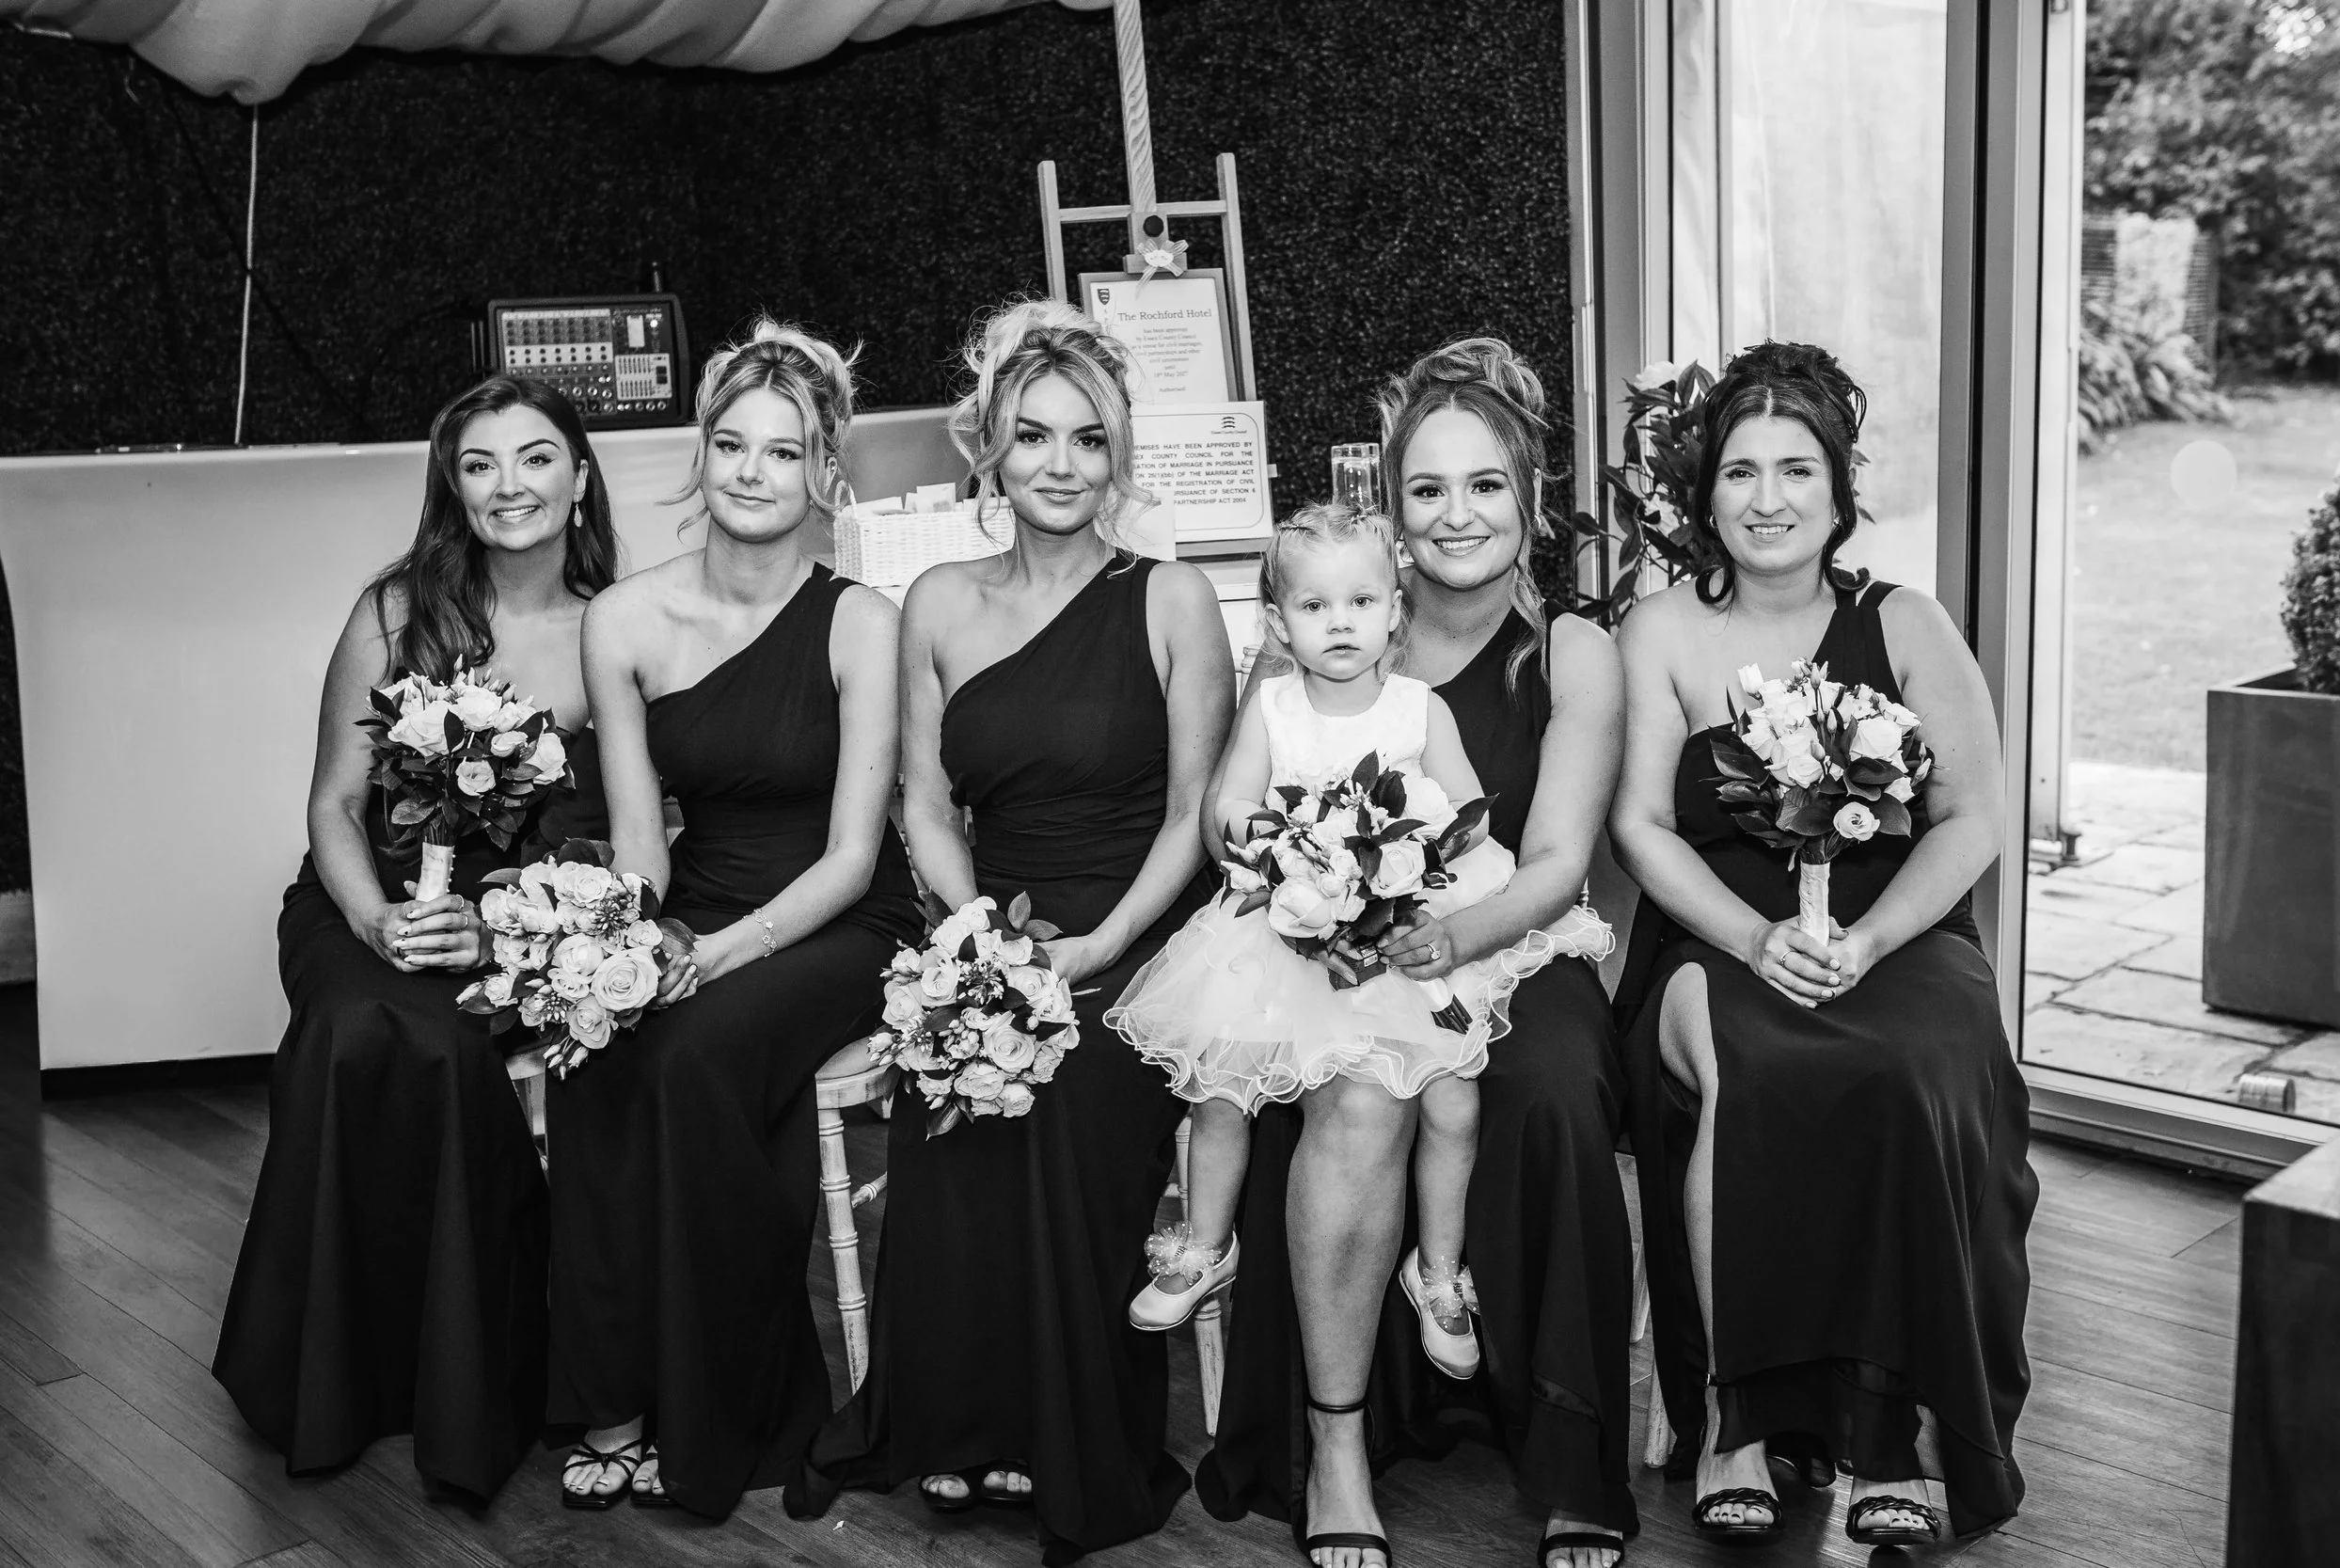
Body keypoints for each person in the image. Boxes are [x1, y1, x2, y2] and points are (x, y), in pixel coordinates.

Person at [796, 298, 1233, 1564]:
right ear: (985, 445)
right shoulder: (932, 599)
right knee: (955, 1095)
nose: (1058, 462)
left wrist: (1099, 952)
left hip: (1145, 929)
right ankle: (958, 1414)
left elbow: (1197, 813)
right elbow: (922, 800)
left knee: (1071, 1090)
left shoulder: (1170, 599)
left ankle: (1059, 1434)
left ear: (1118, 457)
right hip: (997, 924)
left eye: (1086, 440)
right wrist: (981, 937)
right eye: (1031, 435)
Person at [1197, 340, 1635, 1568]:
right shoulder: (1310, 642)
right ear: (1392, 511)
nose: (1457, 513)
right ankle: (1338, 1441)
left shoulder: (1574, 651)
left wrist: (1420, 934)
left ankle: (1568, 1449)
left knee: (1548, 1091)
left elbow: (1553, 862)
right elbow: (1230, 810)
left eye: (1485, 483)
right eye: (1428, 488)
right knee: (1347, 1092)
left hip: (1513, 947)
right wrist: (1288, 881)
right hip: (1331, 954)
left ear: (1530, 498)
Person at [1610, 341, 2034, 1547]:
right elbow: (1639, 824)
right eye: (1739, 471)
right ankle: (1733, 1418)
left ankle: (1889, 1432)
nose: (1767, 496)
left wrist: (1867, 933)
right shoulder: (1659, 631)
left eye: (1797, 468)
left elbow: (1971, 816)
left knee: (1903, 1075)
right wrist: (1754, 939)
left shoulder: (1905, 623)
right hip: (1712, 938)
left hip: (1896, 931)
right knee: (1762, 1070)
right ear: (1704, 498)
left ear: (1841, 492)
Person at [1109, 504, 1607, 1414]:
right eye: (1313, 605)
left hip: (1405, 926)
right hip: (1289, 927)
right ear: (1277, 621)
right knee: (1219, 1083)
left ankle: (1441, 1270)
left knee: (1453, 1099)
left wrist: (1400, 848)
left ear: (1393, 615)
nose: (1339, 622)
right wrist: (1286, 845)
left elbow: (1473, 819)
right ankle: (1203, 1243)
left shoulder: (1421, 706)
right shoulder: (1273, 705)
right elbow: (1228, 811)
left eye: (1360, 601)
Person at [544, 319, 920, 1517]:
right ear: (699, 461)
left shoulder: (864, 619)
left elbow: (859, 855)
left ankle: (733, 1408)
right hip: (698, 896)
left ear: (825, 475)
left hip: (838, 920)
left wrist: (708, 959)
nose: (753, 470)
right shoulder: (624, 621)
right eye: (730, 444)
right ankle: (614, 1395)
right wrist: (623, 946)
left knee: (697, 1051)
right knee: (596, 1049)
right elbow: (643, 837)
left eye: (783, 449)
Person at [215, 375, 615, 1500]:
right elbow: (334, 805)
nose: (508, 486)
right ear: (452, 485)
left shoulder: (616, 625)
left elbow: (637, 826)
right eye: (479, 464)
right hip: (368, 899)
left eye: (535, 458)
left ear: (579, 477)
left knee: (443, 1048)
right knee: (353, 1025)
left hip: (526, 917)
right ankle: (324, 1372)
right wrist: (378, 919)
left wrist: (506, 927)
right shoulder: (396, 612)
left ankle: (467, 1382)